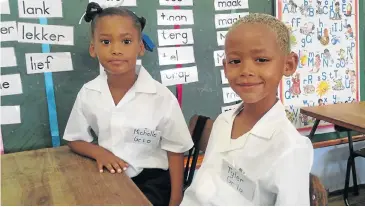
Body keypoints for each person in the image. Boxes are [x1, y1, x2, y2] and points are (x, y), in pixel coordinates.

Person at [63, 2, 193, 206]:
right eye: (105, 42)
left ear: (140, 47)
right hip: (109, 174)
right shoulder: (89, 93)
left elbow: (175, 151)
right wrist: (99, 152)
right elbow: (74, 139)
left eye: (126, 41)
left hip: (152, 181)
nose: (115, 50)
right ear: (93, 48)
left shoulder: (161, 97)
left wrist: (176, 199)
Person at [181, 13, 314, 206]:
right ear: (225, 67)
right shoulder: (223, 122)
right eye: (235, 61)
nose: (246, 71)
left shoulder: (290, 148)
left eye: (261, 59)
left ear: (288, 64)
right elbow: (206, 187)